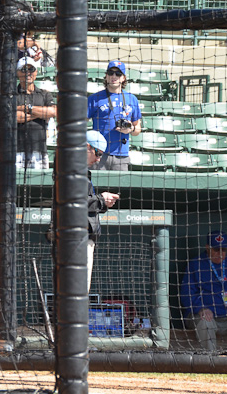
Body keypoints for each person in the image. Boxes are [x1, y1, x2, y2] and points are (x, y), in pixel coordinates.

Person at [86, 60, 142, 171]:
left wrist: (130, 129)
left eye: (118, 74)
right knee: (97, 187)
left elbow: (138, 129)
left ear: (123, 78)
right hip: (99, 155)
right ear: (106, 76)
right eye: (111, 73)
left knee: (119, 188)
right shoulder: (95, 98)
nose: (114, 76)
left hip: (121, 155)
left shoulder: (132, 99)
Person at [85, 130, 119, 288]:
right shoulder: (71, 169)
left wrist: (103, 203)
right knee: (76, 293)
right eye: (97, 153)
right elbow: (75, 202)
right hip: (75, 240)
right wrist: (101, 199)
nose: (99, 159)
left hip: (82, 238)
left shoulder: (83, 172)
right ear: (87, 147)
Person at [15, 56, 56, 169]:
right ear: (18, 73)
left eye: (31, 69)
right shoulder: (12, 95)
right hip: (17, 150)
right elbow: (13, 117)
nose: (28, 73)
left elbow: (53, 112)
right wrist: (41, 114)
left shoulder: (45, 94)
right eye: (24, 69)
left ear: (36, 72)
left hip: (39, 150)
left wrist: (27, 108)